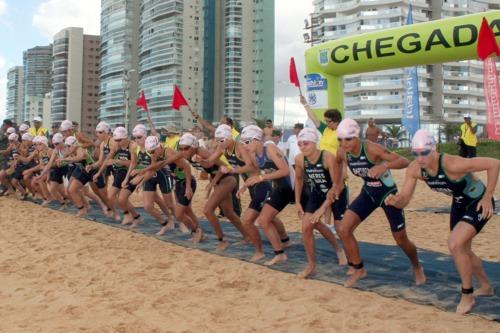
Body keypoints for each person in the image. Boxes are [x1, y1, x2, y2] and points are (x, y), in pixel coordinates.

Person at [385, 129, 498, 315]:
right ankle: (486, 286)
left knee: (455, 243)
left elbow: (494, 163)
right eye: (415, 153)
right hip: (460, 204)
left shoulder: (452, 164)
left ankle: (467, 295)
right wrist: (397, 201)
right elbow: (405, 198)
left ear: (435, 149)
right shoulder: (415, 169)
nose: (420, 158)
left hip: (477, 202)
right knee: (463, 249)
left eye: (425, 153)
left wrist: (487, 197)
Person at [331, 118, 426, 287]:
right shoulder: (342, 152)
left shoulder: (371, 148)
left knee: (401, 239)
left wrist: (384, 167)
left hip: (387, 194)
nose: (343, 143)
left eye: (348, 139)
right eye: (340, 139)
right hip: (368, 192)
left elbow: (404, 161)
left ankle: (417, 266)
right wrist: (337, 184)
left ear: (357, 136)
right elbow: (338, 164)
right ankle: (359, 269)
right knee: (344, 229)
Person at [294, 127, 348, 278]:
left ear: (314, 143)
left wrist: (322, 209)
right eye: (299, 144)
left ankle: (339, 250)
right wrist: (297, 201)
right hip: (317, 192)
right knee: (307, 226)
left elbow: (337, 185)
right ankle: (311, 265)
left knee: (341, 228)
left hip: (337, 192)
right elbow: (298, 180)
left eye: (306, 143)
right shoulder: (299, 159)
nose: (302, 147)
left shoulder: (327, 157)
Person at [237, 125, 293, 266]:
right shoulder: (255, 155)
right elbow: (257, 173)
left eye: (247, 142)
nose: (244, 145)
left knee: (314, 224)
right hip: (279, 187)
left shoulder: (270, 148)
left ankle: (339, 251)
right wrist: (245, 185)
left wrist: (262, 178)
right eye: (243, 142)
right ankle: (280, 252)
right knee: (264, 220)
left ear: (257, 140)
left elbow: (285, 171)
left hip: (291, 188)